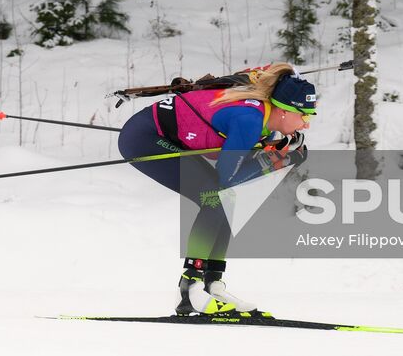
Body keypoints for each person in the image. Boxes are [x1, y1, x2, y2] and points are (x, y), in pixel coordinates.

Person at [116, 62, 316, 316]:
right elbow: (228, 177)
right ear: (285, 111)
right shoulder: (250, 120)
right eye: (305, 115)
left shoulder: (262, 116)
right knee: (214, 197)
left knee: (223, 200)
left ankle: (213, 285)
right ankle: (191, 288)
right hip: (144, 138)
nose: (306, 124)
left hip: (164, 133)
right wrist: (279, 160)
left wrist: (274, 153)